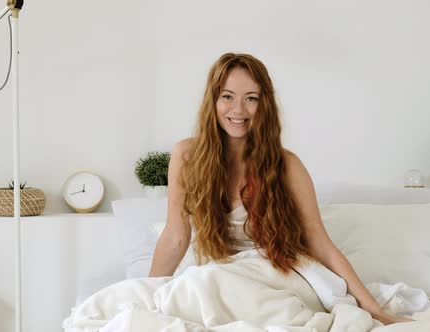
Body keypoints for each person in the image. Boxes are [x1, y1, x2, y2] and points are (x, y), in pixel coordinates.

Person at [149, 53, 411, 325]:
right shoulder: (187, 156)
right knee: (193, 286)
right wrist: (149, 294)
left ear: (264, 105)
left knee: (204, 282)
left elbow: (320, 243)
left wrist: (373, 309)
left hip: (281, 274)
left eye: (251, 98)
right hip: (226, 278)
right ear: (212, 101)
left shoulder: (287, 165)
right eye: (227, 97)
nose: (238, 110)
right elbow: (175, 236)